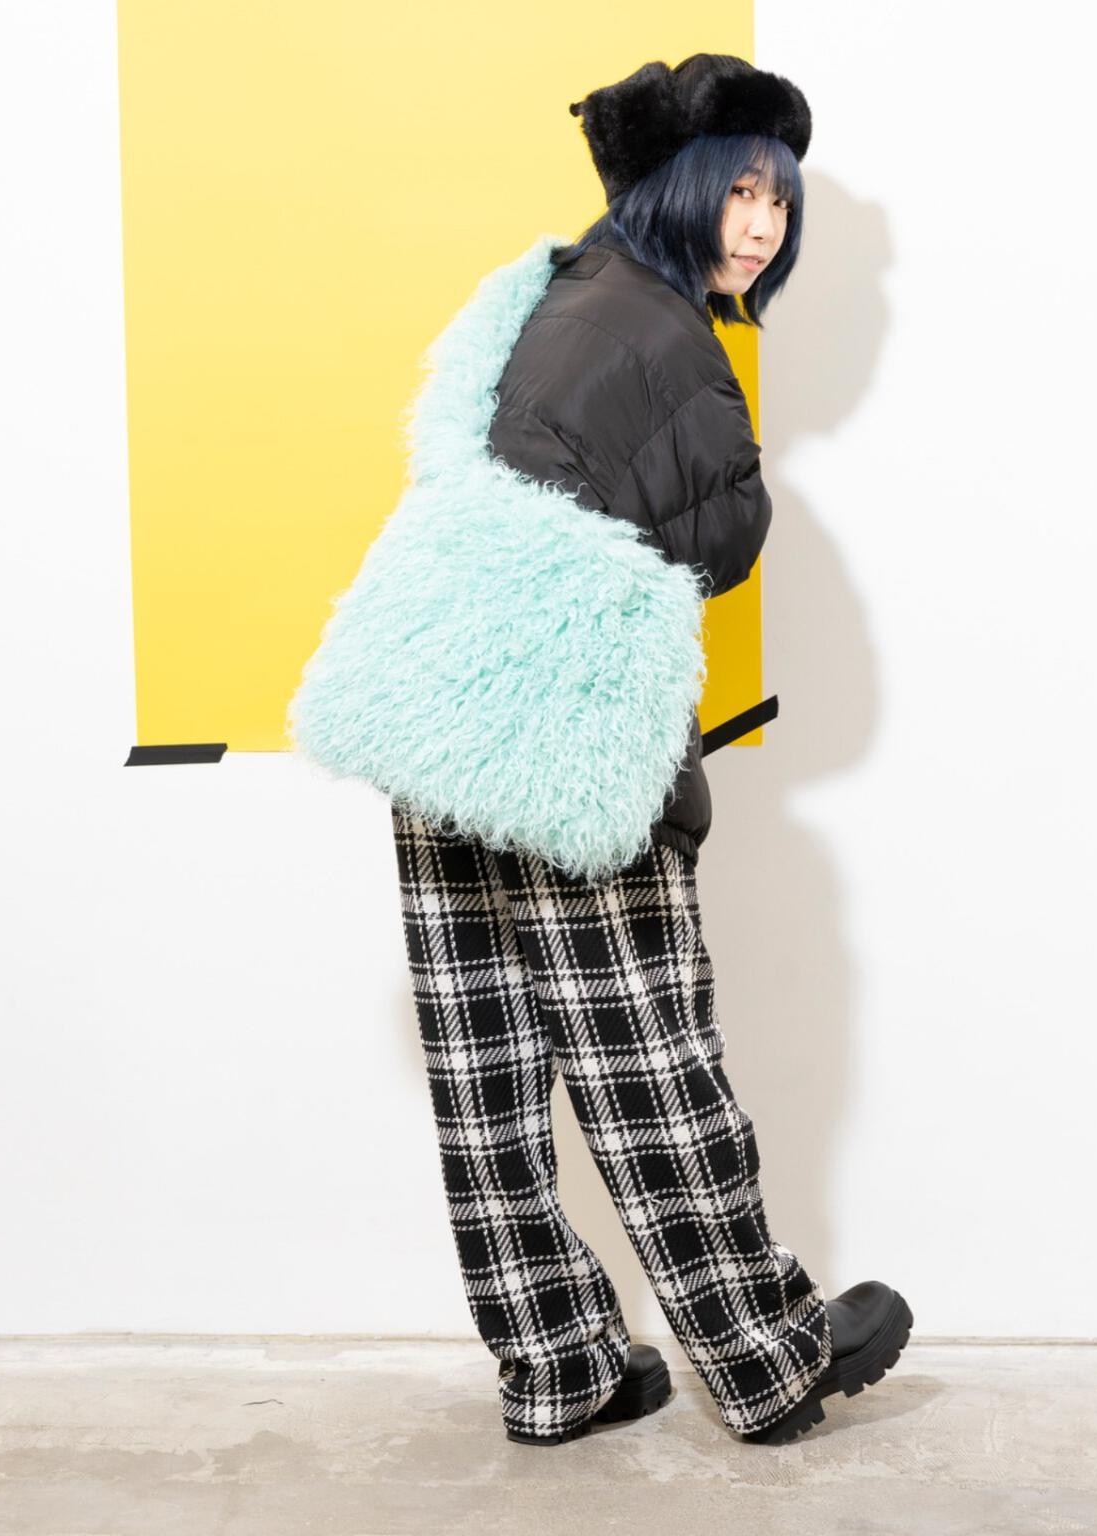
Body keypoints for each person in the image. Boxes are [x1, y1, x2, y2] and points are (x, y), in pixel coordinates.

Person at [389, 52, 913, 1447]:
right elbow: (718, 535)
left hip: (439, 714)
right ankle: (764, 1357)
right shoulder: (666, 336)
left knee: (490, 1070)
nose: (763, 226)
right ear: (675, 187)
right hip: (561, 733)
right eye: (739, 192)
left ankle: (558, 1367)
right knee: (648, 1056)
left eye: (779, 200)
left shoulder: (557, 293)